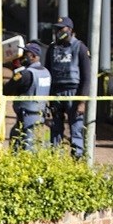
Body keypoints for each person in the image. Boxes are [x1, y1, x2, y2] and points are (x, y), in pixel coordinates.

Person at [44, 16, 91, 158]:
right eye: (56, 29)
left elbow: (86, 77)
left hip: (74, 92)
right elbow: (48, 73)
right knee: (55, 128)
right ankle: (55, 158)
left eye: (61, 28)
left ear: (70, 29)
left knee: (76, 128)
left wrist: (82, 101)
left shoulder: (80, 47)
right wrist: (48, 99)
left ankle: (77, 157)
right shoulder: (52, 48)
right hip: (56, 92)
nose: (58, 31)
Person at [3, 41, 50, 152]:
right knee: (29, 141)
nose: (22, 56)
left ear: (33, 56)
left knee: (26, 146)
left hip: (27, 115)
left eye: (25, 53)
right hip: (40, 114)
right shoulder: (45, 72)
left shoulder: (25, 74)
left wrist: (14, 69)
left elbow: (7, 89)